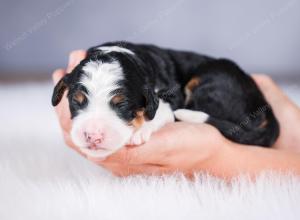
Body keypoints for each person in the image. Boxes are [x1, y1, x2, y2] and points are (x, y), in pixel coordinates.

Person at [52, 50, 300, 179]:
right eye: (79, 102)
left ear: (148, 101)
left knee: (197, 92)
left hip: (226, 84)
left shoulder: (150, 86)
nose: (93, 132)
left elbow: (166, 105)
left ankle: (228, 126)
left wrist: (217, 155)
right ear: (63, 90)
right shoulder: (95, 68)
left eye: (121, 106)